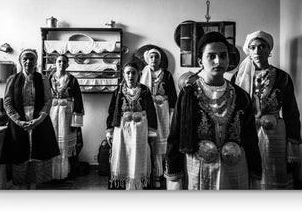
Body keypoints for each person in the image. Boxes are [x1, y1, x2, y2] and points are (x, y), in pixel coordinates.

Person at [165, 32, 261, 190]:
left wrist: (256, 173)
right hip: (198, 169)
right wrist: (175, 176)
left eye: (223, 56)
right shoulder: (189, 94)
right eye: (211, 56)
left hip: (235, 170)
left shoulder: (241, 96)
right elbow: (175, 137)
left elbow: (250, 139)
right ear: (200, 61)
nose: (218, 61)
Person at [232, 30, 302, 189]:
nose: (257, 51)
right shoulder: (238, 77)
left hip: (274, 132)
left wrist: (293, 144)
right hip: (247, 130)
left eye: (262, 46)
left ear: (269, 50)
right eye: (253, 47)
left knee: (273, 171)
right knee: (250, 169)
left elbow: (291, 111)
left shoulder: (282, 77)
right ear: (248, 50)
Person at [0, 49, 60, 189]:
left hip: (39, 120)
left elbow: (48, 100)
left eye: (31, 59)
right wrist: (18, 120)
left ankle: (33, 190)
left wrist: (39, 119)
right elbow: (7, 102)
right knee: (20, 155)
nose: (28, 62)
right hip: (19, 121)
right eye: (25, 59)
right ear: (20, 61)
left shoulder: (43, 78)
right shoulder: (12, 79)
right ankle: (21, 192)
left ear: (36, 61)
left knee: (37, 155)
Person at [106, 62, 158, 190]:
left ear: (138, 74)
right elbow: (112, 111)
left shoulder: (144, 90)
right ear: (123, 75)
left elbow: (151, 111)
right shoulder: (118, 90)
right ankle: (124, 183)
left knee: (138, 154)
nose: (130, 76)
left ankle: (138, 183)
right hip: (122, 129)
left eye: (133, 73)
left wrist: (152, 131)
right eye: (128, 73)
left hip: (140, 128)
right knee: (123, 154)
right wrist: (109, 130)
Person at [140, 48, 177, 188]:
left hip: (163, 110)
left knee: (162, 138)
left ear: (160, 59)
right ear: (147, 59)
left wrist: (173, 113)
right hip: (148, 110)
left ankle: (161, 174)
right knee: (150, 138)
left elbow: (172, 94)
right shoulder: (143, 74)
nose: (154, 59)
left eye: (156, 57)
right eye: (151, 57)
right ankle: (150, 173)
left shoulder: (166, 75)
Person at [48, 54, 84, 180]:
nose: (61, 64)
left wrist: (76, 119)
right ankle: (52, 174)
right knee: (53, 141)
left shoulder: (72, 79)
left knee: (66, 143)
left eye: (64, 61)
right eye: (59, 61)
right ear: (55, 63)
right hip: (52, 112)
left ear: (67, 64)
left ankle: (66, 173)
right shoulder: (49, 78)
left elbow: (78, 99)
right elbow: (45, 98)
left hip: (67, 113)